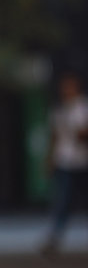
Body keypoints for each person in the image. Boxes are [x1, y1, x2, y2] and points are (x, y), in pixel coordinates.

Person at [41, 71, 88, 256]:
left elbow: (82, 135)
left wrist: (78, 131)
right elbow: (54, 136)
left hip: (84, 162)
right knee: (62, 202)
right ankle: (54, 238)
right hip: (65, 161)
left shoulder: (83, 107)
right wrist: (50, 159)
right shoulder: (59, 109)